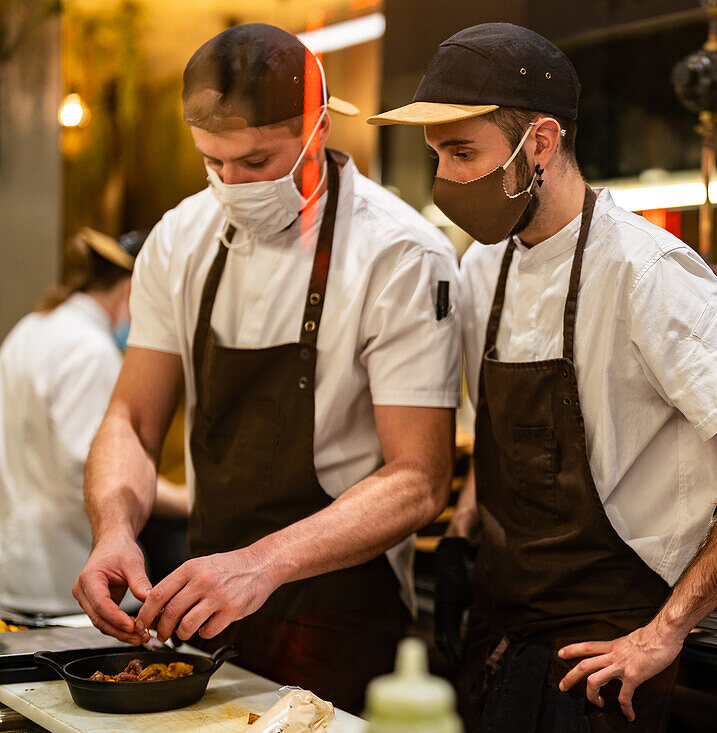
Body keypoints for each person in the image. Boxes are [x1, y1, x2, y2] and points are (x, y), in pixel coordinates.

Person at [369, 23, 717, 730]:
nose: (445, 181)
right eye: (437, 156)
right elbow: (515, 441)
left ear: (541, 145)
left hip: (606, 662)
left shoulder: (645, 270)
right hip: (501, 644)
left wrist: (667, 627)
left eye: (463, 153)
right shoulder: (482, 266)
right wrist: (463, 536)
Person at [72, 24, 461, 712]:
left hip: (342, 618)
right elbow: (130, 419)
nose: (233, 185)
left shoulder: (398, 253)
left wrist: (260, 563)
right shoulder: (179, 238)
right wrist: (113, 528)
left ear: (316, 127)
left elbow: (419, 478)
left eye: (255, 161)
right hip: (203, 616)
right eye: (213, 163)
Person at [0, 228, 186, 618]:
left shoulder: (31, 327)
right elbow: (97, 466)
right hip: (68, 573)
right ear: (134, 289)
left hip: (17, 565)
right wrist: (190, 501)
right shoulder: (90, 350)